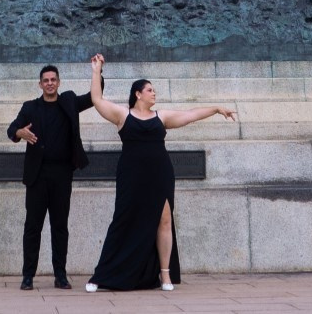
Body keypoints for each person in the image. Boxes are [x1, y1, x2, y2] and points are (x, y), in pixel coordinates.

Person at [85, 55, 235, 292]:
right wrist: (96, 70)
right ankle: (101, 275)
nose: (154, 94)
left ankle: (164, 275)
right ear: (138, 94)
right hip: (131, 175)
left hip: (160, 174)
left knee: (164, 220)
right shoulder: (122, 115)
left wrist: (216, 109)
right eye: (150, 90)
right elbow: (96, 99)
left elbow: (191, 115)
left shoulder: (161, 117)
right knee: (122, 221)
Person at [7, 61, 97, 290]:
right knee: (32, 227)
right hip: (37, 176)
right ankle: (28, 276)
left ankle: (60, 275)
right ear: (40, 84)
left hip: (62, 174)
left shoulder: (68, 102)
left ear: (59, 82)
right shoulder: (29, 108)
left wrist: (98, 72)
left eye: (53, 80)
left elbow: (93, 97)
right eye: (46, 80)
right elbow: (11, 130)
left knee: (59, 226)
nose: (50, 83)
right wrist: (20, 132)